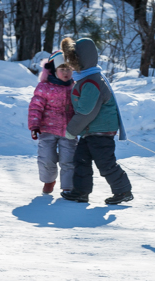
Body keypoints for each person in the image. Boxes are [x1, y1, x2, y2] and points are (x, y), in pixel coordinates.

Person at [59, 37, 133, 205]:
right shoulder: (87, 78)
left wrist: (71, 130)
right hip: (90, 132)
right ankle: (81, 192)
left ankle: (123, 191)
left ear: (81, 60)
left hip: (101, 132)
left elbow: (86, 111)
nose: (70, 64)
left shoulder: (92, 82)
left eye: (72, 60)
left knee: (105, 163)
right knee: (81, 160)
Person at [28, 50, 78, 195]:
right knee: (46, 158)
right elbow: (35, 107)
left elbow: (80, 107)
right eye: (62, 69)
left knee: (68, 160)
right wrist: (34, 125)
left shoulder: (74, 87)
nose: (66, 73)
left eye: (69, 69)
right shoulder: (44, 87)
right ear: (54, 70)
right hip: (47, 130)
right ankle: (49, 181)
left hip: (69, 131)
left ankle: (68, 187)